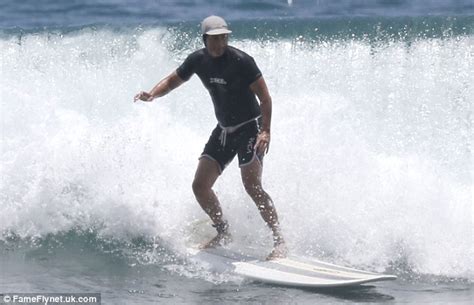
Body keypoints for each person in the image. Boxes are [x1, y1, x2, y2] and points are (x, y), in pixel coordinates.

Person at [134, 15, 287, 259]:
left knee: (252, 186)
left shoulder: (242, 62)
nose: (219, 43)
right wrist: (153, 94)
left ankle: (279, 240)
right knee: (200, 186)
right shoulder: (198, 60)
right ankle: (223, 231)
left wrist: (266, 130)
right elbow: (174, 80)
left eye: (224, 38)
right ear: (204, 39)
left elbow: (265, 98)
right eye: (214, 39)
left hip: (251, 128)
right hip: (224, 130)